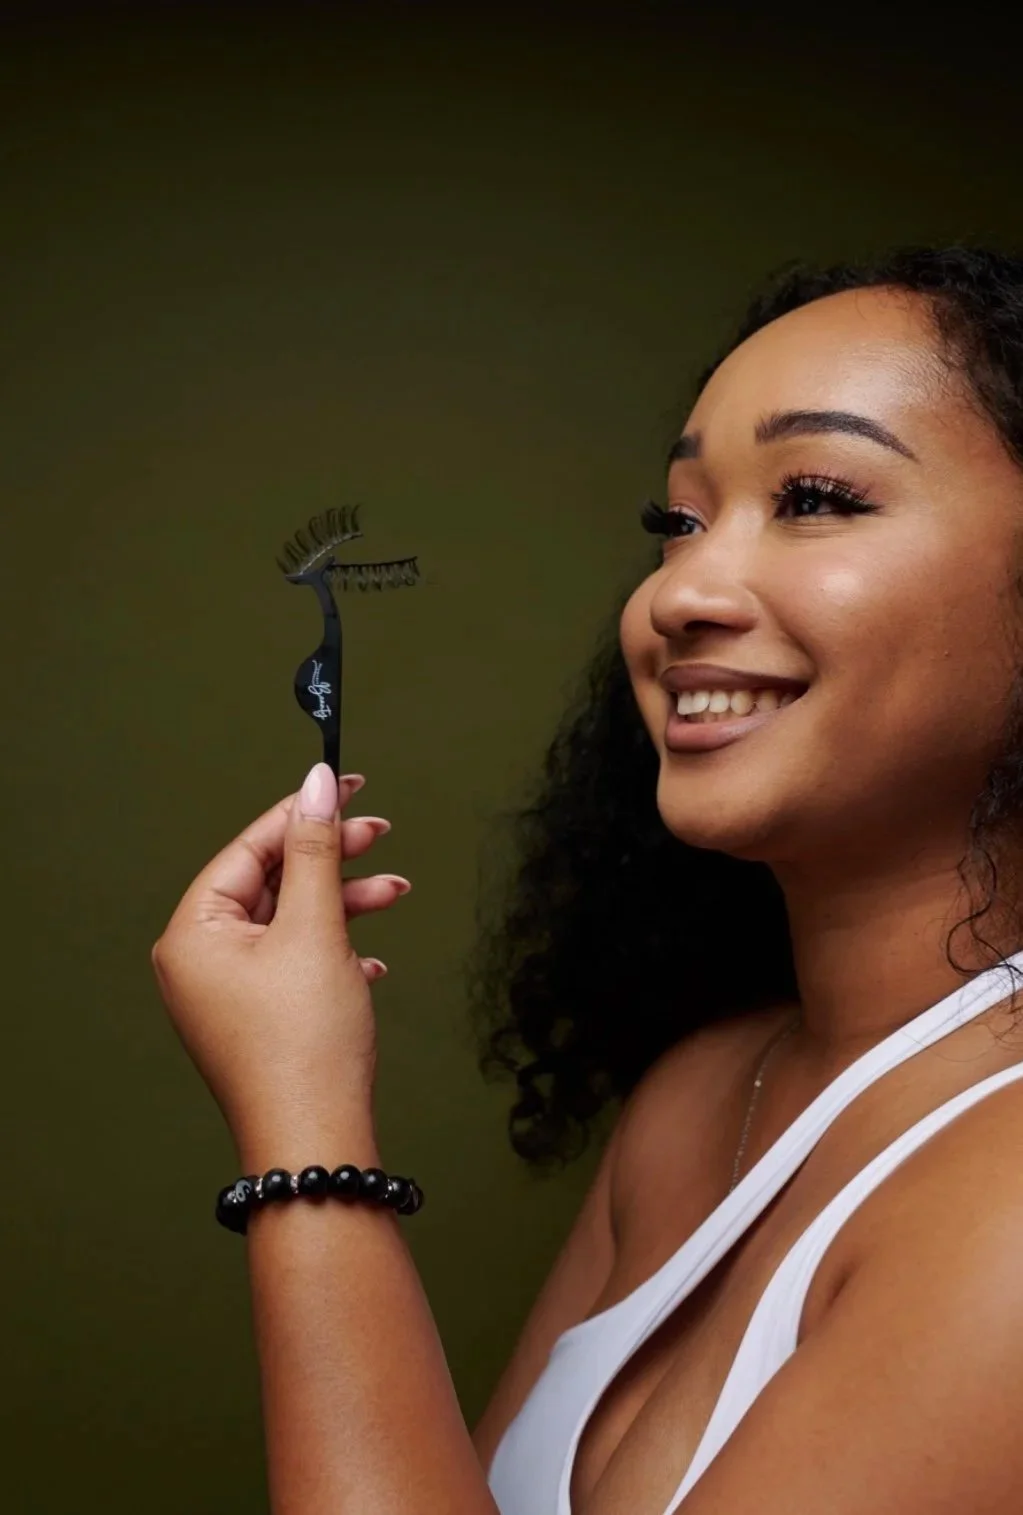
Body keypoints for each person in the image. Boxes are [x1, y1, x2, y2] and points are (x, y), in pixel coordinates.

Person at [152, 244, 1023, 1513]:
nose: (683, 592)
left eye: (820, 496)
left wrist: (307, 1140)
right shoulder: (703, 1098)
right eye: (677, 521)